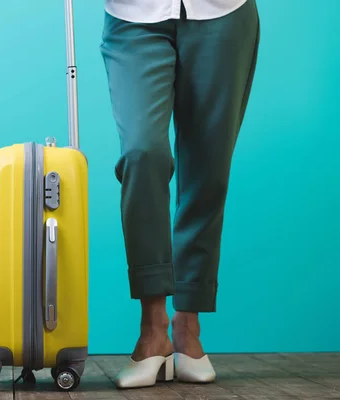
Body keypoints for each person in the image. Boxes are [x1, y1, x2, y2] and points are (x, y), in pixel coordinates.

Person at [99, 0, 260, 389]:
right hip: (134, 18)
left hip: (223, 14)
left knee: (209, 167)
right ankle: (152, 329)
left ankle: (187, 327)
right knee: (142, 152)